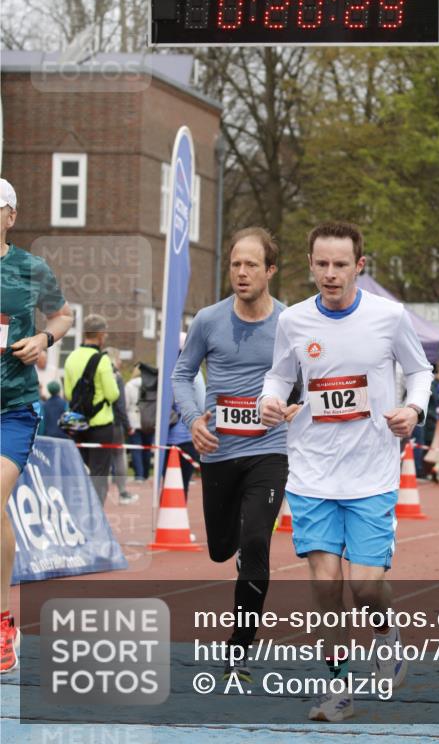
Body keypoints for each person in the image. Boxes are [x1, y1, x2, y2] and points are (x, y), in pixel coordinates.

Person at [260, 220, 432, 722]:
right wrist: (271, 400)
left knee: (364, 586)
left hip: (372, 471)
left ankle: (386, 633)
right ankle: (337, 689)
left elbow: (420, 371)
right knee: (325, 583)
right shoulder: (292, 321)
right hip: (312, 469)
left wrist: (413, 411)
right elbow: (279, 374)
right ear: (310, 264)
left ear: (359, 265)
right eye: (321, 264)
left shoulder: (390, 317)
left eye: (340, 265)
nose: (330, 274)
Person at [172, 227, 289, 681]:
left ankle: (239, 648)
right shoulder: (208, 319)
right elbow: (182, 375)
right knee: (223, 549)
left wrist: (294, 407)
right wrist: (193, 420)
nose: (241, 273)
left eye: (251, 265)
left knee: (257, 542)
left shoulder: (288, 323)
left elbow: (306, 378)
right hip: (219, 450)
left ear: (270, 271)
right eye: (235, 264)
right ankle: (238, 551)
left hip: (269, 449)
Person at [0, 178, 73, 673]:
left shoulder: (30, 268)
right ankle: (4, 617)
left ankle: (1, 625)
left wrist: (44, 339)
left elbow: (63, 315)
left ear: (10, 215)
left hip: (13, 409)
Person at [64, 314, 119, 506]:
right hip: (100, 425)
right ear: (101, 334)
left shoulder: (71, 357)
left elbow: (69, 394)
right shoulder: (103, 360)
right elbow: (113, 394)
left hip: (78, 424)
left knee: (82, 470)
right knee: (99, 472)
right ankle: (96, 514)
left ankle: (81, 509)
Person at [164, 332, 204, 500]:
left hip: (163, 438)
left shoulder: (164, 369)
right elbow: (202, 403)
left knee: (167, 484)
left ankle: (164, 520)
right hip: (185, 436)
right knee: (182, 485)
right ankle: (175, 521)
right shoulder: (194, 371)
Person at [106, 348, 138, 505]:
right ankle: (123, 493)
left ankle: (97, 495)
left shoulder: (96, 373)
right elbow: (120, 405)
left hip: (97, 424)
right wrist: (127, 426)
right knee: (119, 456)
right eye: (118, 359)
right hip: (115, 423)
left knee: (100, 459)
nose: (120, 362)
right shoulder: (116, 377)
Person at [124, 369, 146, 481]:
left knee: (136, 449)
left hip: (133, 420)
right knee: (147, 448)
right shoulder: (151, 384)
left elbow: (125, 405)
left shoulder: (129, 385)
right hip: (148, 420)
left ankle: (139, 475)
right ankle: (146, 473)